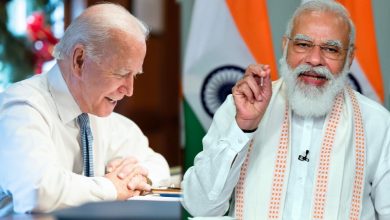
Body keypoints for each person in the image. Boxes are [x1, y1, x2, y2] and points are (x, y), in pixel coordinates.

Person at [182, 1, 390, 219]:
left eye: (331, 49)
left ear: (349, 58)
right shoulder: (240, 107)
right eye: (302, 44)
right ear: (285, 46)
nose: (314, 60)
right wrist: (242, 128)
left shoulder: (376, 122)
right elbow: (200, 207)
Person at [0, 3, 170, 216]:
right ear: (79, 60)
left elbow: (157, 164)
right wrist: (110, 188)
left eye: (134, 75)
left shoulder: (100, 113)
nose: (129, 90)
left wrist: (138, 177)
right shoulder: (22, 106)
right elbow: (37, 192)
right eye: (121, 73)